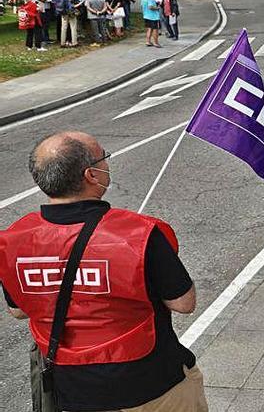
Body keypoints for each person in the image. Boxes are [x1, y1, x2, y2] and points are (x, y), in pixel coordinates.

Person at [0, 132, 208, 411]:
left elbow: (18, 310)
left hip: (74, 391)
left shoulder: (13, 240)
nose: (107, 162)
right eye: (104, 158)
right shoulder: (140, 234)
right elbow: (184, 303)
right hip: (151, 385)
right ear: (91, 175)